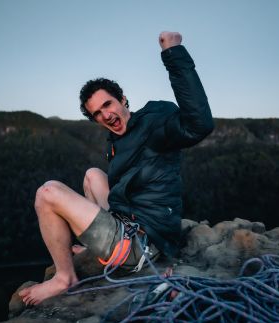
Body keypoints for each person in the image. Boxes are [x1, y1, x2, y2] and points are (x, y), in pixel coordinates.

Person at [19, 31, 213, 305]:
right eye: (97, 113)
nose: (105, 115)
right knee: (92, 175)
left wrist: (173, 54)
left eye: (107, 104)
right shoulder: (116, 143)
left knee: (48, 192)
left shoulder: (153, 122)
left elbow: (200, 124)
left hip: (144, 246)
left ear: (122, 98)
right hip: (131, 224)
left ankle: (64, 278)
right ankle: (92, 247)